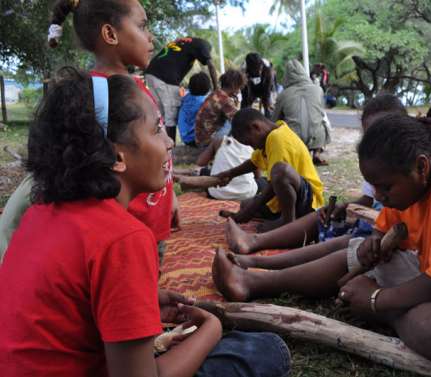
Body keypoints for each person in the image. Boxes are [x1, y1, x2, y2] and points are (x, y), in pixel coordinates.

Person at [213, 105, 431, 376]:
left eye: (385, 188)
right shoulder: (419, 180)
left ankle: (388, 313)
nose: (379, 195)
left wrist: (379, 300)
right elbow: (387, 229)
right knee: (353, 252)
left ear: (421, 167)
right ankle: (254, 281)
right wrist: (374, 243)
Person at [0, 68, 291, 377]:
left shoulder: (40, 214)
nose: (168, 143)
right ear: (116, 157)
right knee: (265, 350)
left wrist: (143, 302)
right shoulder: (123, 239)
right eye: (156, 130)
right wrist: (212, 327)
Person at [0, 0, 177, 264]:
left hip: (151, 222)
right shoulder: (94, 98)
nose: (150, 37)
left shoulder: (139, 88)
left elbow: (160, 148)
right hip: (121, 230)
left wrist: (170, 195)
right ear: (110, 34)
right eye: (141, 26)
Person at [224, 93, 407, 262]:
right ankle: (256, 241)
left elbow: (395, 217)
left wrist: (249, 212)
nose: (376, 143)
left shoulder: (277, 138)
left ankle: (264, 255)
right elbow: (369, 199)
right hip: (374, 223)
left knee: (347, 244)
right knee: (316, 220)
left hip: (311, 199)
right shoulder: (380, 163)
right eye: (370, 137)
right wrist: (345, 206)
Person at [216, 108, 325, 232]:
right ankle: (280, 216)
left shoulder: (278, 138)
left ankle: (288, 222)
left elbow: (276, 181)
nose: (253, 147)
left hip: (308, 200)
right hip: (290, 197)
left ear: (256, 127)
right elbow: (253, 162)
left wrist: (250, 211)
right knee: (245, 205)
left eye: (250, 142)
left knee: (280, 171)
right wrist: (230, 174)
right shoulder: (269, 137)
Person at [145, 36, 218, 144]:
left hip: (151, 73)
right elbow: (211, 66)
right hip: (166, 78)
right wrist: (216, 88)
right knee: (171, 117)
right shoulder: (202, 45)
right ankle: (170, 151)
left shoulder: (185, 43)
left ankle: (159, 146)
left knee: (160, 116)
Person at [273, 59, 330, 166]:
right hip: (317, 138)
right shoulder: (318, 90)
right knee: (322, 122)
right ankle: (316, 153)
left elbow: (275, 119)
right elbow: (321, 112)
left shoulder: (283, 94)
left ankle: (295, 153)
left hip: (293, 139)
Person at [189, 135, 259, 201]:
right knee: (262, 181)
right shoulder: (253, 144)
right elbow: (257, 176)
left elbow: (200, 163)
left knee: (204, 172)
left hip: (217, 193)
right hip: (246, 194)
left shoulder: (219, 141)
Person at [195, 69, 246, 147]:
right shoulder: (225, 100)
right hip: (207, 141)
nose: (239, 91)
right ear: (234, 85)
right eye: (239, 87)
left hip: (200, 138)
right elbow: (239, 119)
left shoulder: (216, 93)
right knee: (237, 122)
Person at [178, 72, 211, 146]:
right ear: (207, 87)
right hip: (196, 139)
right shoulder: (204, 102)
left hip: (185, 138)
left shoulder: (186, 98)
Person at [241, 53, 276, 118]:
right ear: (250, 67)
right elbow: (244, 92)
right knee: (245, 107)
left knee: (267, 106)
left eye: (259, 68)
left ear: (261, 65)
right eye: (255, 69)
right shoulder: (244, 70)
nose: (258, 72)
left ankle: (268, 117)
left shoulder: (268, 69)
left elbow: (267, 90)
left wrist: (267, 105)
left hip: (265, 86)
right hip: (250, 87)